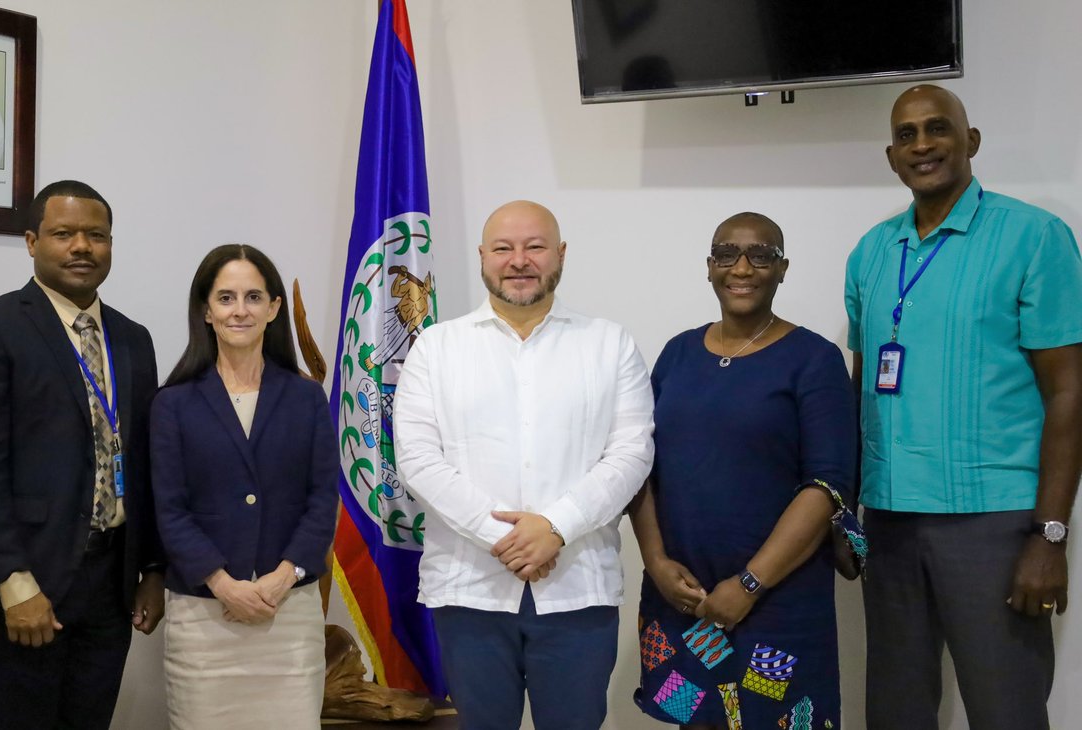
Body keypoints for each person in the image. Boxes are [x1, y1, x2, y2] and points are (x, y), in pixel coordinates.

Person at [845, 85, 1082, 730]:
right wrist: (848, 515)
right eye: (907, 135)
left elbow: (1069, 393)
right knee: (895, 713)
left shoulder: (1034, 237)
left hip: (995, 526)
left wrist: (1050, 536)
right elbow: (863, 389)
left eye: (938, 128)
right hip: (889, 523)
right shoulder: (871, 252)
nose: (922, 145)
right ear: (891, 155)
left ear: (970, 140)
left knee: (1006, 712)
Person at [393, 200, 655, 730]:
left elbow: (632, 453)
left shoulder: (609, 344)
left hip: (578, 590)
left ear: (561, 254)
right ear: (482, 256)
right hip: (470, 590)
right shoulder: (436, 348)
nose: (519, 261)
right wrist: (508, 538)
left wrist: (556, 527)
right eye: (503, 248)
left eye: (535, 247)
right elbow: (418, 459)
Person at [0, 180, 166, 729]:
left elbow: (146, 460)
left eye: (97, 235)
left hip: (111, 586)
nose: (82, 246)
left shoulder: (133, 339)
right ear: (31, 242)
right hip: (23, 582)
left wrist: (153, 569)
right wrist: (14, 582)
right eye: (64, 234)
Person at [629, 212, 858, 729]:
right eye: (727, 254)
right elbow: (639, 466)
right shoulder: (678, 353)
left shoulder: (814, 359)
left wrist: (750, 584)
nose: (742, 268)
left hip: (776, 603)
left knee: (770, 719)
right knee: (698, 719)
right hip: (685, 601)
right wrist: (656, 561)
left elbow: (827, 486)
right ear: (710, 266)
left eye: (761, 255)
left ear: (783, 269)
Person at [150, 244, 339, 729]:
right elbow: (169, 509)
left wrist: (284, 577)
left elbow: (323, 499)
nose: (240, 310)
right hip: (205, 615)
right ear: (206, 311)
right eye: (226, 297)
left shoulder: (306, 397)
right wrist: (222, 584)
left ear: (274, 308)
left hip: (288, 611)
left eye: (253, 297)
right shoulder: (173, 403)